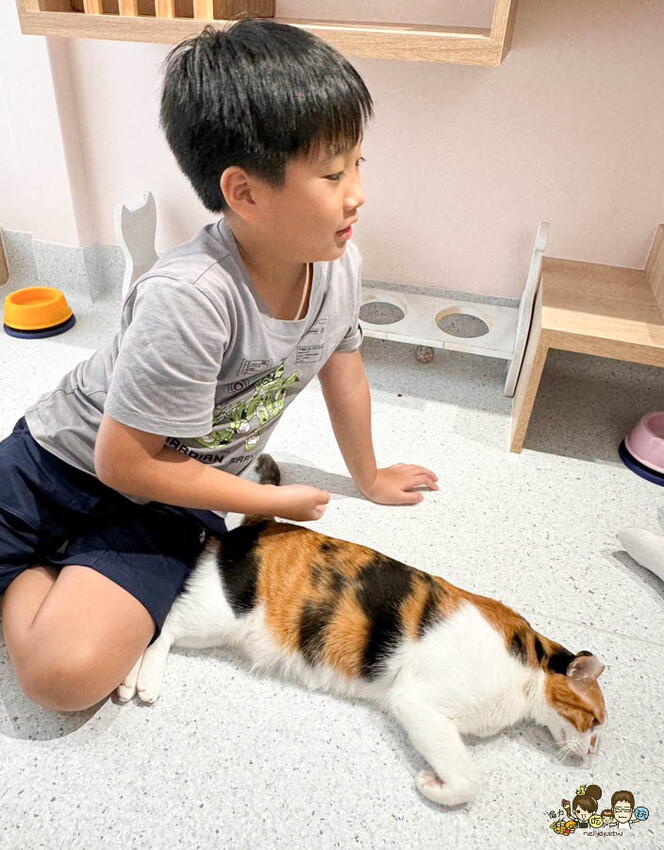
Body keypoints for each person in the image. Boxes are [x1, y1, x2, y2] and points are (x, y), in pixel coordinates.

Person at [0, 20, 437, 715]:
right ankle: (38, 558)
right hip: (59, 463)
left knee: (63, 678)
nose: (357, 192)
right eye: (333, 174)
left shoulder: (339, 264)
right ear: (245, 193)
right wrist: (269, 503)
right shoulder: (191, 297)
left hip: (174, 498)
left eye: (359, 164)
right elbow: (121, 461)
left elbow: (345, 373)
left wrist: (370, 476)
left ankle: (44, 566)